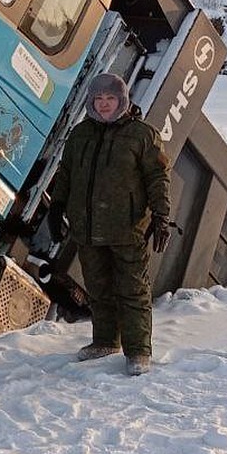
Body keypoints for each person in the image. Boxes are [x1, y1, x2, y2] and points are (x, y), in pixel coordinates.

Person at [47, 72, 172, 376]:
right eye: (98, 99)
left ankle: (138, 350)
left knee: (133, 290)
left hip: (127, 229)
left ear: (123, 100)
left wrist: (161, 217)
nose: (103, 105)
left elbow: (157, 178)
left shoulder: (143, 135)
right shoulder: (80, 135)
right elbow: (65, 174)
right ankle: (105, 340)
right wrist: (56, 208)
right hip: (87, 228)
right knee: (98, 288)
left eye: (110, 99)